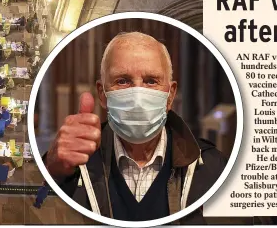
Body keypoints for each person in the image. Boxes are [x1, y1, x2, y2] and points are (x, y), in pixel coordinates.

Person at [44, 32, 227, 222]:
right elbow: (30, 212)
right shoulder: (75, 167)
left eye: (151, 81)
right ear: (102, 94)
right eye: (123, 81)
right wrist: (51, 172)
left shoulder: (212, 168)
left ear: (170, 95)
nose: (138, 96)